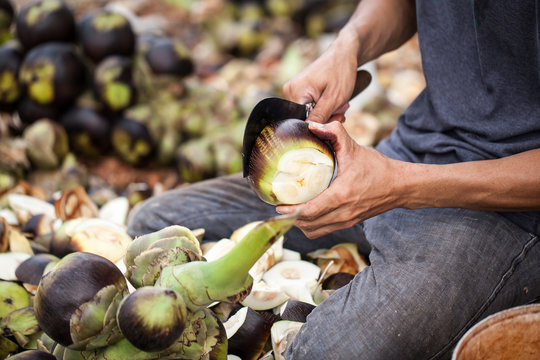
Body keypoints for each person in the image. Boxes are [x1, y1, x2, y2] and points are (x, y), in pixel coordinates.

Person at [127, 0, 540, 358]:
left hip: (506, 205)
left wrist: (401, 185)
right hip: (412, 149)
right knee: (155, 234)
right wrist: (349, 44)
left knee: (323, 352)